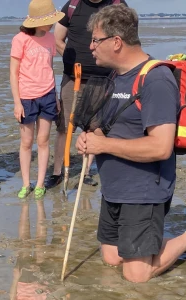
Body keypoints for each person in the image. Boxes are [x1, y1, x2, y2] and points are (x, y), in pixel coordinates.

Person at [76, 5, 186, 284]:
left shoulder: (156, 80)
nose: (91, 47)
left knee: (136, 276)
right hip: (114, 187)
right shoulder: (115, 77)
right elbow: (110, 130)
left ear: (116, 42)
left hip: (144, 190)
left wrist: (103, 146)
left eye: (96, 40)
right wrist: (90, 140)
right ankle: (147, 245)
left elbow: (160, 147)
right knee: (111, 258)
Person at [47, 0, 127, 189]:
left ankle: (86, 171)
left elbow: (125, 39)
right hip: (72, 79)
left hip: (104, 80)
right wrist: (71, 58)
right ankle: (58, 171)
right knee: (64, 128)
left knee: (95, 128)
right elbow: (57, 38)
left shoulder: (117, 4)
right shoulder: (73, 5)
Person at [10, 0, 63, 199]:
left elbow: (49, 68)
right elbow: (13, 73)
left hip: (48, 94)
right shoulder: (20, 39)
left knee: (43, 140)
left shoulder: (51, 39)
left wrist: (56, 97)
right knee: (26, 141)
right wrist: (17, 102)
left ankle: (40, 183)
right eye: (48, 20)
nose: (51, 24)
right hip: (26, 97)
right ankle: (26, 183)